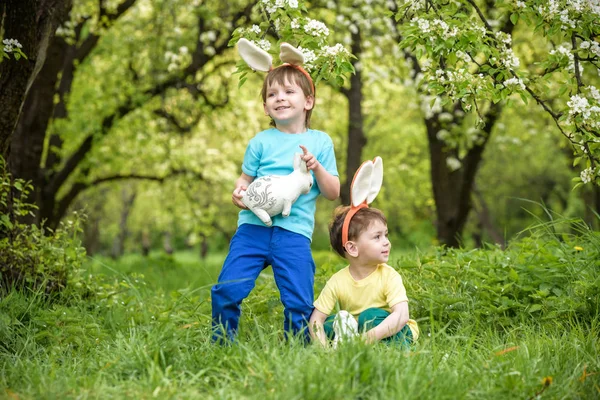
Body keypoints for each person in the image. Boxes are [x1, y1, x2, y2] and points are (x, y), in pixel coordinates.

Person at [211, 61, 340, 343]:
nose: (279, 97)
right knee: (227, 289)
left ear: (308, 101)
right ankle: (220, 345)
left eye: (288, 91)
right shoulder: (260, 142)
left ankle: (297, 351)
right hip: (252, 229)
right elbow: (244, 180)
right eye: (272, 94)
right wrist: (239, 193)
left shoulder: (320, 142)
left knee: (299, 301)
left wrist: (316, 167)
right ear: (266, 108)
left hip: (294, 234)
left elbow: (333, 192)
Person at [309, 206, 419, 347]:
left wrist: (365, 339)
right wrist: (323, 349)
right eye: (377, 237)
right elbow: (316, 320)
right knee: (331, 322)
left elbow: (402, 316)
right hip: (359, 331)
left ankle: (397, 351)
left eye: (386, 234)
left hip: (396, 331)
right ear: (353, 248)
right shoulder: (337, 281)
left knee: (369, 316)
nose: (386, 242)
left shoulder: (389, 276)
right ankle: (344, 345)